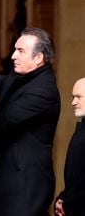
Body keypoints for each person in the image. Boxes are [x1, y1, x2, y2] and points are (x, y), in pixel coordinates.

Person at [0, 27, 61, 216]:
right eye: (15, 49)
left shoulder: (43, 91)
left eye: (21, 51)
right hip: (6, 182)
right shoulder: (21, 77)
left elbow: (4, 120)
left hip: (23, 186)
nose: (13, 56)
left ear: (39, 58)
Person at [54, 78, 85, 216]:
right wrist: (63, 198)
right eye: (73, 97)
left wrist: (68, 203)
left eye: (78, 97)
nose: (73, 102)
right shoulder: (81, 127)